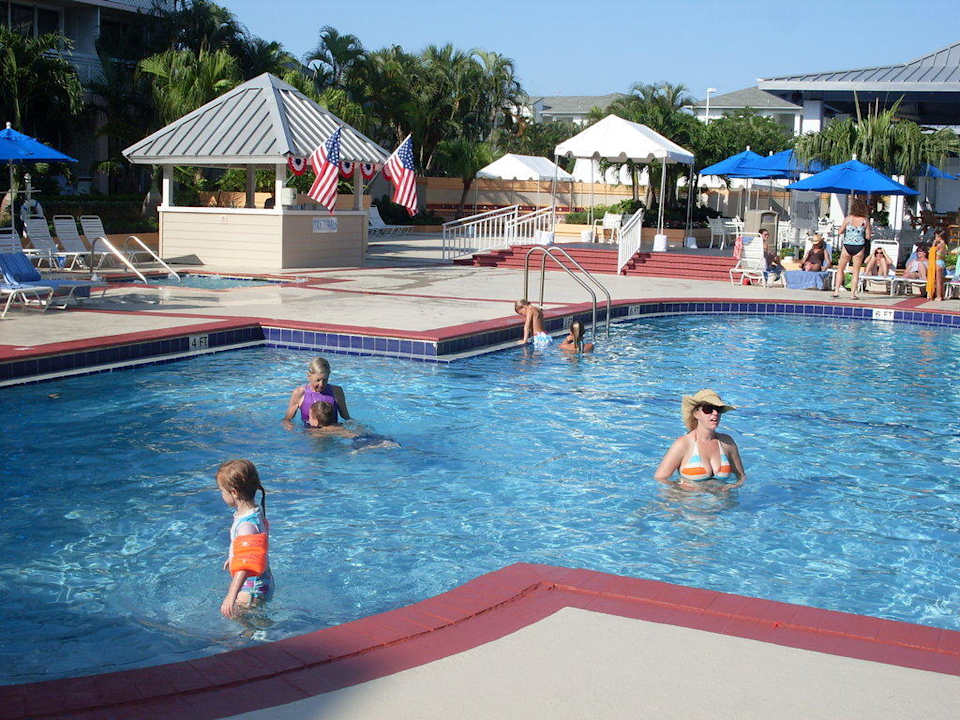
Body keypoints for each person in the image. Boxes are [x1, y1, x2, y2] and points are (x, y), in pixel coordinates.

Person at [654, 389, 746, 492]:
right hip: (690, 506)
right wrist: (680, 488)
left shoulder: (727, 442)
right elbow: (660, 478)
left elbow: (741, 477)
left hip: (724, 506)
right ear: (696, 414)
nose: (715, 413)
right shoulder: (683, 444)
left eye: (718, 409)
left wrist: (731, 486)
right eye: (708, 409)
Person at [217, 459, 273, 618]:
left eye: (222, 491)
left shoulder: (246, 525)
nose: (221, 495)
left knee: (234, 615)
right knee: (253, 618)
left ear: (234, 492)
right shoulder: (255, 512)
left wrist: (230, 595)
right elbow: (253, 549)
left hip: (252, 587)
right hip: (263, 580)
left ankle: (262, 636)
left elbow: (245, 564)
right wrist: (234, 556)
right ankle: (257, 633)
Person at [284, 356, 350, 426]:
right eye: (318, 380)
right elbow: (287, 420)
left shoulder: (336, 391)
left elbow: (346, 417)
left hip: (331, 432)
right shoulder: (299, 393)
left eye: (325, 380)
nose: (321, 384)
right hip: (309, 433)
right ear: (309, 376)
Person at [308, 400, 398, 449]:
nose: (308, 419)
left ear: (316, 421)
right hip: (363, 434)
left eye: (310, 417)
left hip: (358, 440)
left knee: (357, 449)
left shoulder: (320, 432)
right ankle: (385, 441)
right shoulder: (337, 424)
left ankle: (382, 444)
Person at [833, 195, 872, 300]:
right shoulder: (865, 220)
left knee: (840, 269)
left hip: (847, 245)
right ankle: (853, 294)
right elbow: (868, 236)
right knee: (856, 271)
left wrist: (848, 231)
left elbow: (840, 231)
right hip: (859, 246)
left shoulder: (848, 219)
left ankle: (836, 291)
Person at [930, 231, 947, 301]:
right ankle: (942, 295)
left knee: (938, 281)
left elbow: (931, 251)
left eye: (936, 237)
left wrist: (933, 244)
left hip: (938, 262)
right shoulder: (945, 245)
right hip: (942, 262)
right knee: (941, 280)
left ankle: (938, 296)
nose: (935, 238)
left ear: (939, 237)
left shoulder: (939, 245)